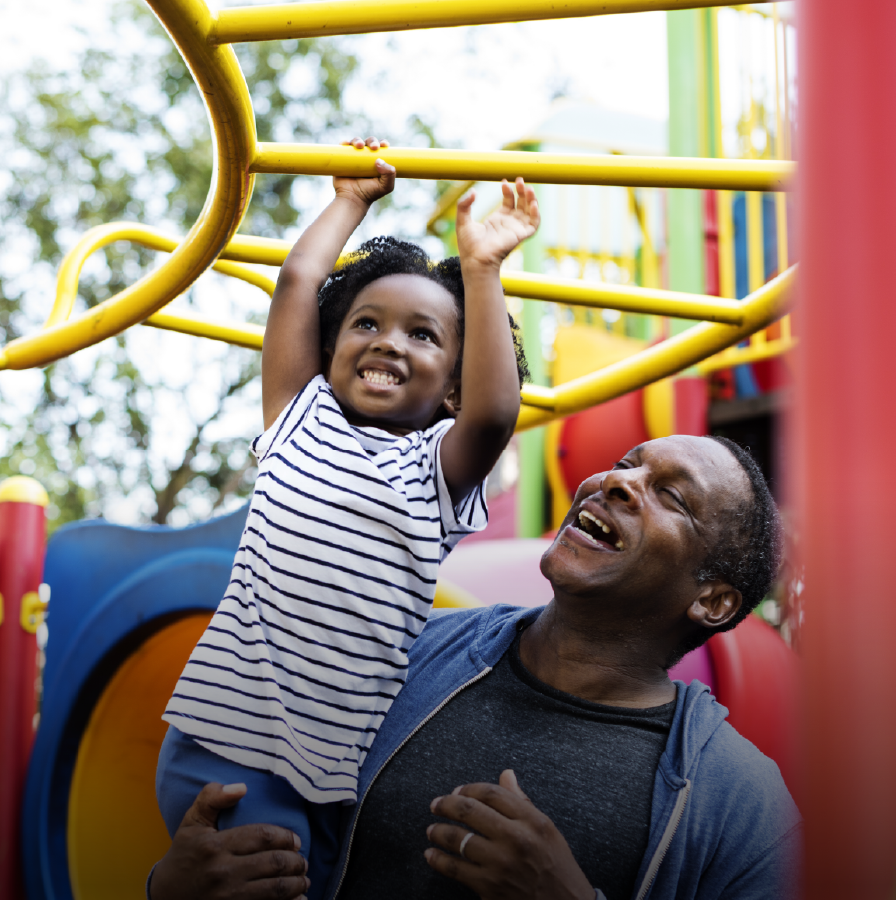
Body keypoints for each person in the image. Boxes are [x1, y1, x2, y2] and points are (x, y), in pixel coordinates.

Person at [150, 433, 801, 900]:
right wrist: (171, 885)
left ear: (711, 601)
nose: (616, 482)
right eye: (625, 464)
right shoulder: (394, 652)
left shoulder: (741, 804)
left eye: (671, 496)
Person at [157, 136, 539, 898]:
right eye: (366, 323)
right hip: (233, 748)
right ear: (330, 346)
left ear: (453, 387)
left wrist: (483, 269)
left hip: (329, 773)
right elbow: (299, 278)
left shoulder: (436, 470)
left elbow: (497, 412)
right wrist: (348, 201)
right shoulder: (300, 419)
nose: (388, 342)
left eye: (422, 335)